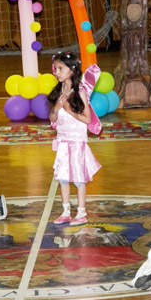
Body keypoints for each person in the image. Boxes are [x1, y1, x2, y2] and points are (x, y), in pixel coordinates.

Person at [47, 51, 101, 226]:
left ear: (71, 70)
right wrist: (57, 107)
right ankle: (65, 212)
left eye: (60, 68)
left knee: (78, 178)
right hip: (63, 141)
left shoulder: (80, 92)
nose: (57, 72)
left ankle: (81, 213)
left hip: (77, 141)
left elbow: (87, 119)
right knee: (63, 177)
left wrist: (69, 110)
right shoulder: (58, 92)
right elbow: (52, 119)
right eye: (56, 68)